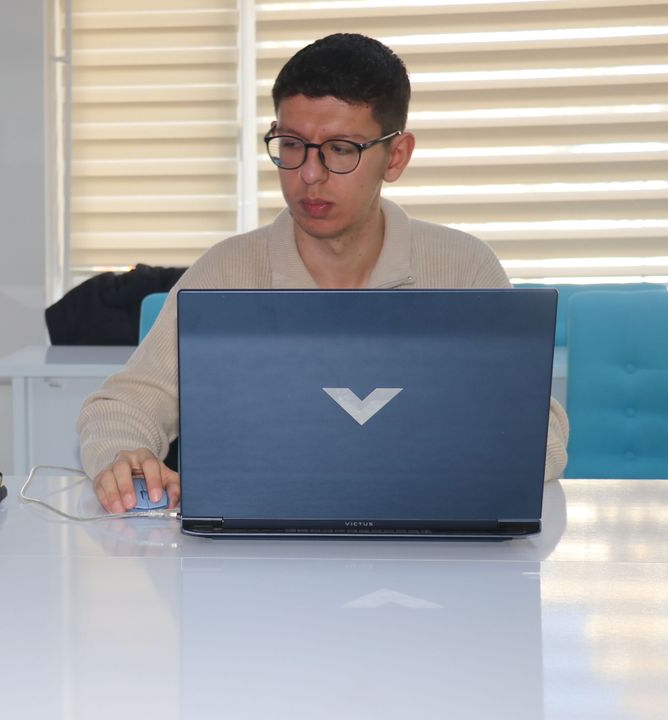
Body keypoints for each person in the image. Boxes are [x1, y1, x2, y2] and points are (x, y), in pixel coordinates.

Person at [76, 33, 569, 513]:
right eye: (292, 144)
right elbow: (122, 406)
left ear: (396, 156)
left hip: (428, 538)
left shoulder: (462, 267)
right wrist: (125, 459)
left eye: (340, 149)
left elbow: (540, 433)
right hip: (262, 542)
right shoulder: (226, 271)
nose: (309, 174)